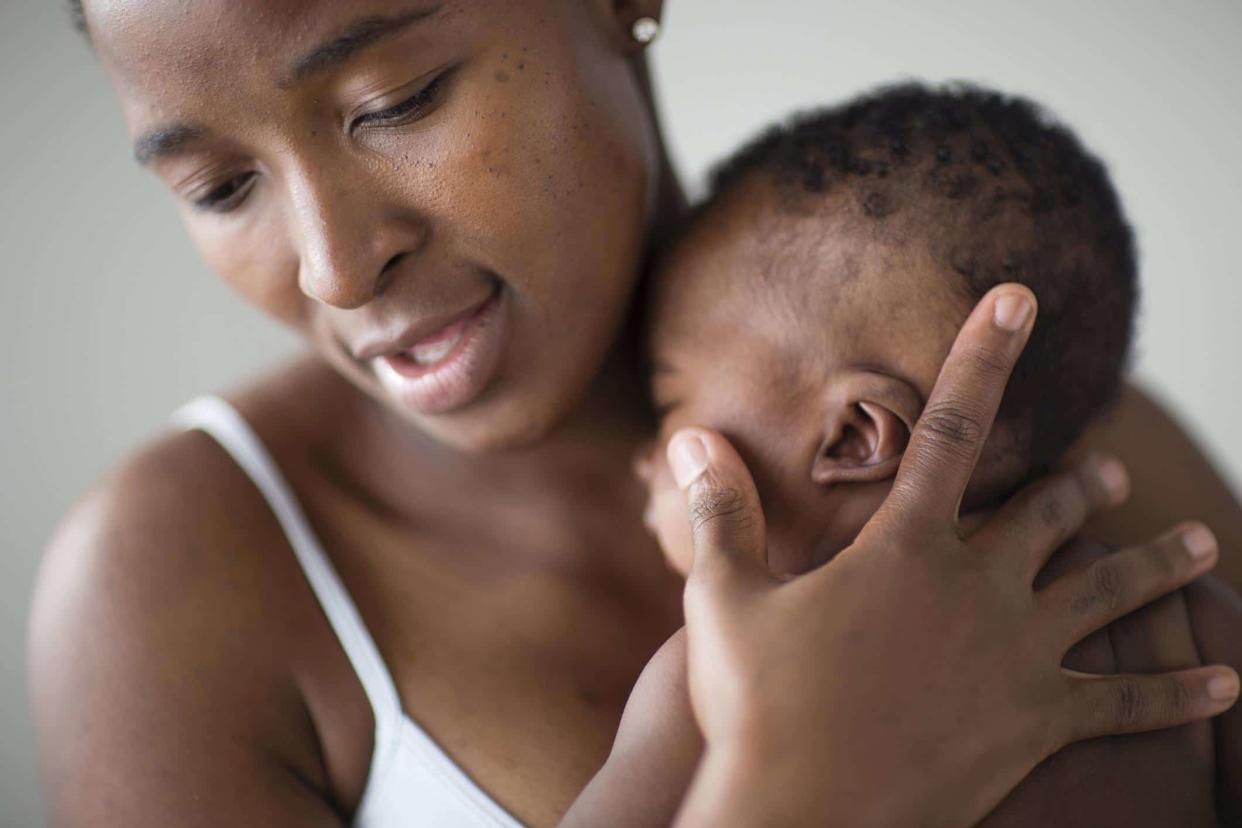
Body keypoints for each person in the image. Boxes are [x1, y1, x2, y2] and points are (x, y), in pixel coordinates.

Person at [29, 3, 1241, 826]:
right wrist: (799, 788)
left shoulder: (1064, 446)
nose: (335, 268)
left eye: (394, 101)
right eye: (220, 186)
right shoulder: (175, 589)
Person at [563, 82, 1242, 826]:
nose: (642, 457)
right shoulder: (1176, 630)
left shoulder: (710, 684)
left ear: (854, 437)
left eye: (669, 405)